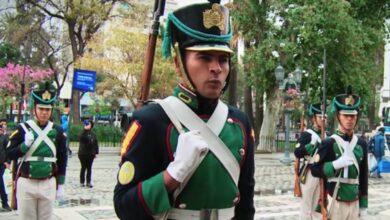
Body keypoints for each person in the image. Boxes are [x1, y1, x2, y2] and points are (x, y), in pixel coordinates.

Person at [114, 2, 255, 219]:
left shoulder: (240, 122)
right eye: (204, 57)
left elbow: (245, 205)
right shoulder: (151, 120)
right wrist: (173, 174)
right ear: (179, 63)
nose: (216, 68)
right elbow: (125, 207)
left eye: (223, 59)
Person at [6, 81, 67, 220]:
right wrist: (24, 146)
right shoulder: (23, 128)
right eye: (41, 109)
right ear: (34, 109)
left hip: (48, 182)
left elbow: (63, 158)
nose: (44, 113)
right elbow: (9, 153)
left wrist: (61, 183)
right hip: (27, 182)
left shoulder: (57, 131)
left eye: (47, 109)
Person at [311, 87, 368, 219]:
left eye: (353, 116)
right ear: (338, 116)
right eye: (346, 115)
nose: (350, 119)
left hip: (354, 201)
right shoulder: (329, 143)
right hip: (335, 199)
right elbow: (315, 169)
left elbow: (363, 177)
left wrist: (364, 206)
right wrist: (335, 165)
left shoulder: (361, 143)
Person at [294, 102, 326, 220]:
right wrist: (312, 145)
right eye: (320, 117)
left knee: (318, 206)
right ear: (314, 118)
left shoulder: (326, 135)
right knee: (306, 207)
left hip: (321, 173)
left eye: (325, 118)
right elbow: (297, 152)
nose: (323, 120)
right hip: (309, 172)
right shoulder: (308, 134)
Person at [78, 119, 99, 188]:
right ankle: (82, 182)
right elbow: (81, 138)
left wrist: (96, 152)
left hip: (90, 154)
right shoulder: (82, 133)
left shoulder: (93, 134)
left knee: (89, 168)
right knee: (83, 167)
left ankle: (88, 182)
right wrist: (85, 130)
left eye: (89, 124)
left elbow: (95, 143)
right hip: (83, 153)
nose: (87, 125)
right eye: (86, 124)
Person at [0, 118, 11, 211]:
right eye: (1, 125)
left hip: (1, 164)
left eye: (4, 124)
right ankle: (4, 203)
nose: (3, 126)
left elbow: (9, 150)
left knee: (1, 182)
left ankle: (5, 203)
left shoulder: (5, 137)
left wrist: (8, 161)